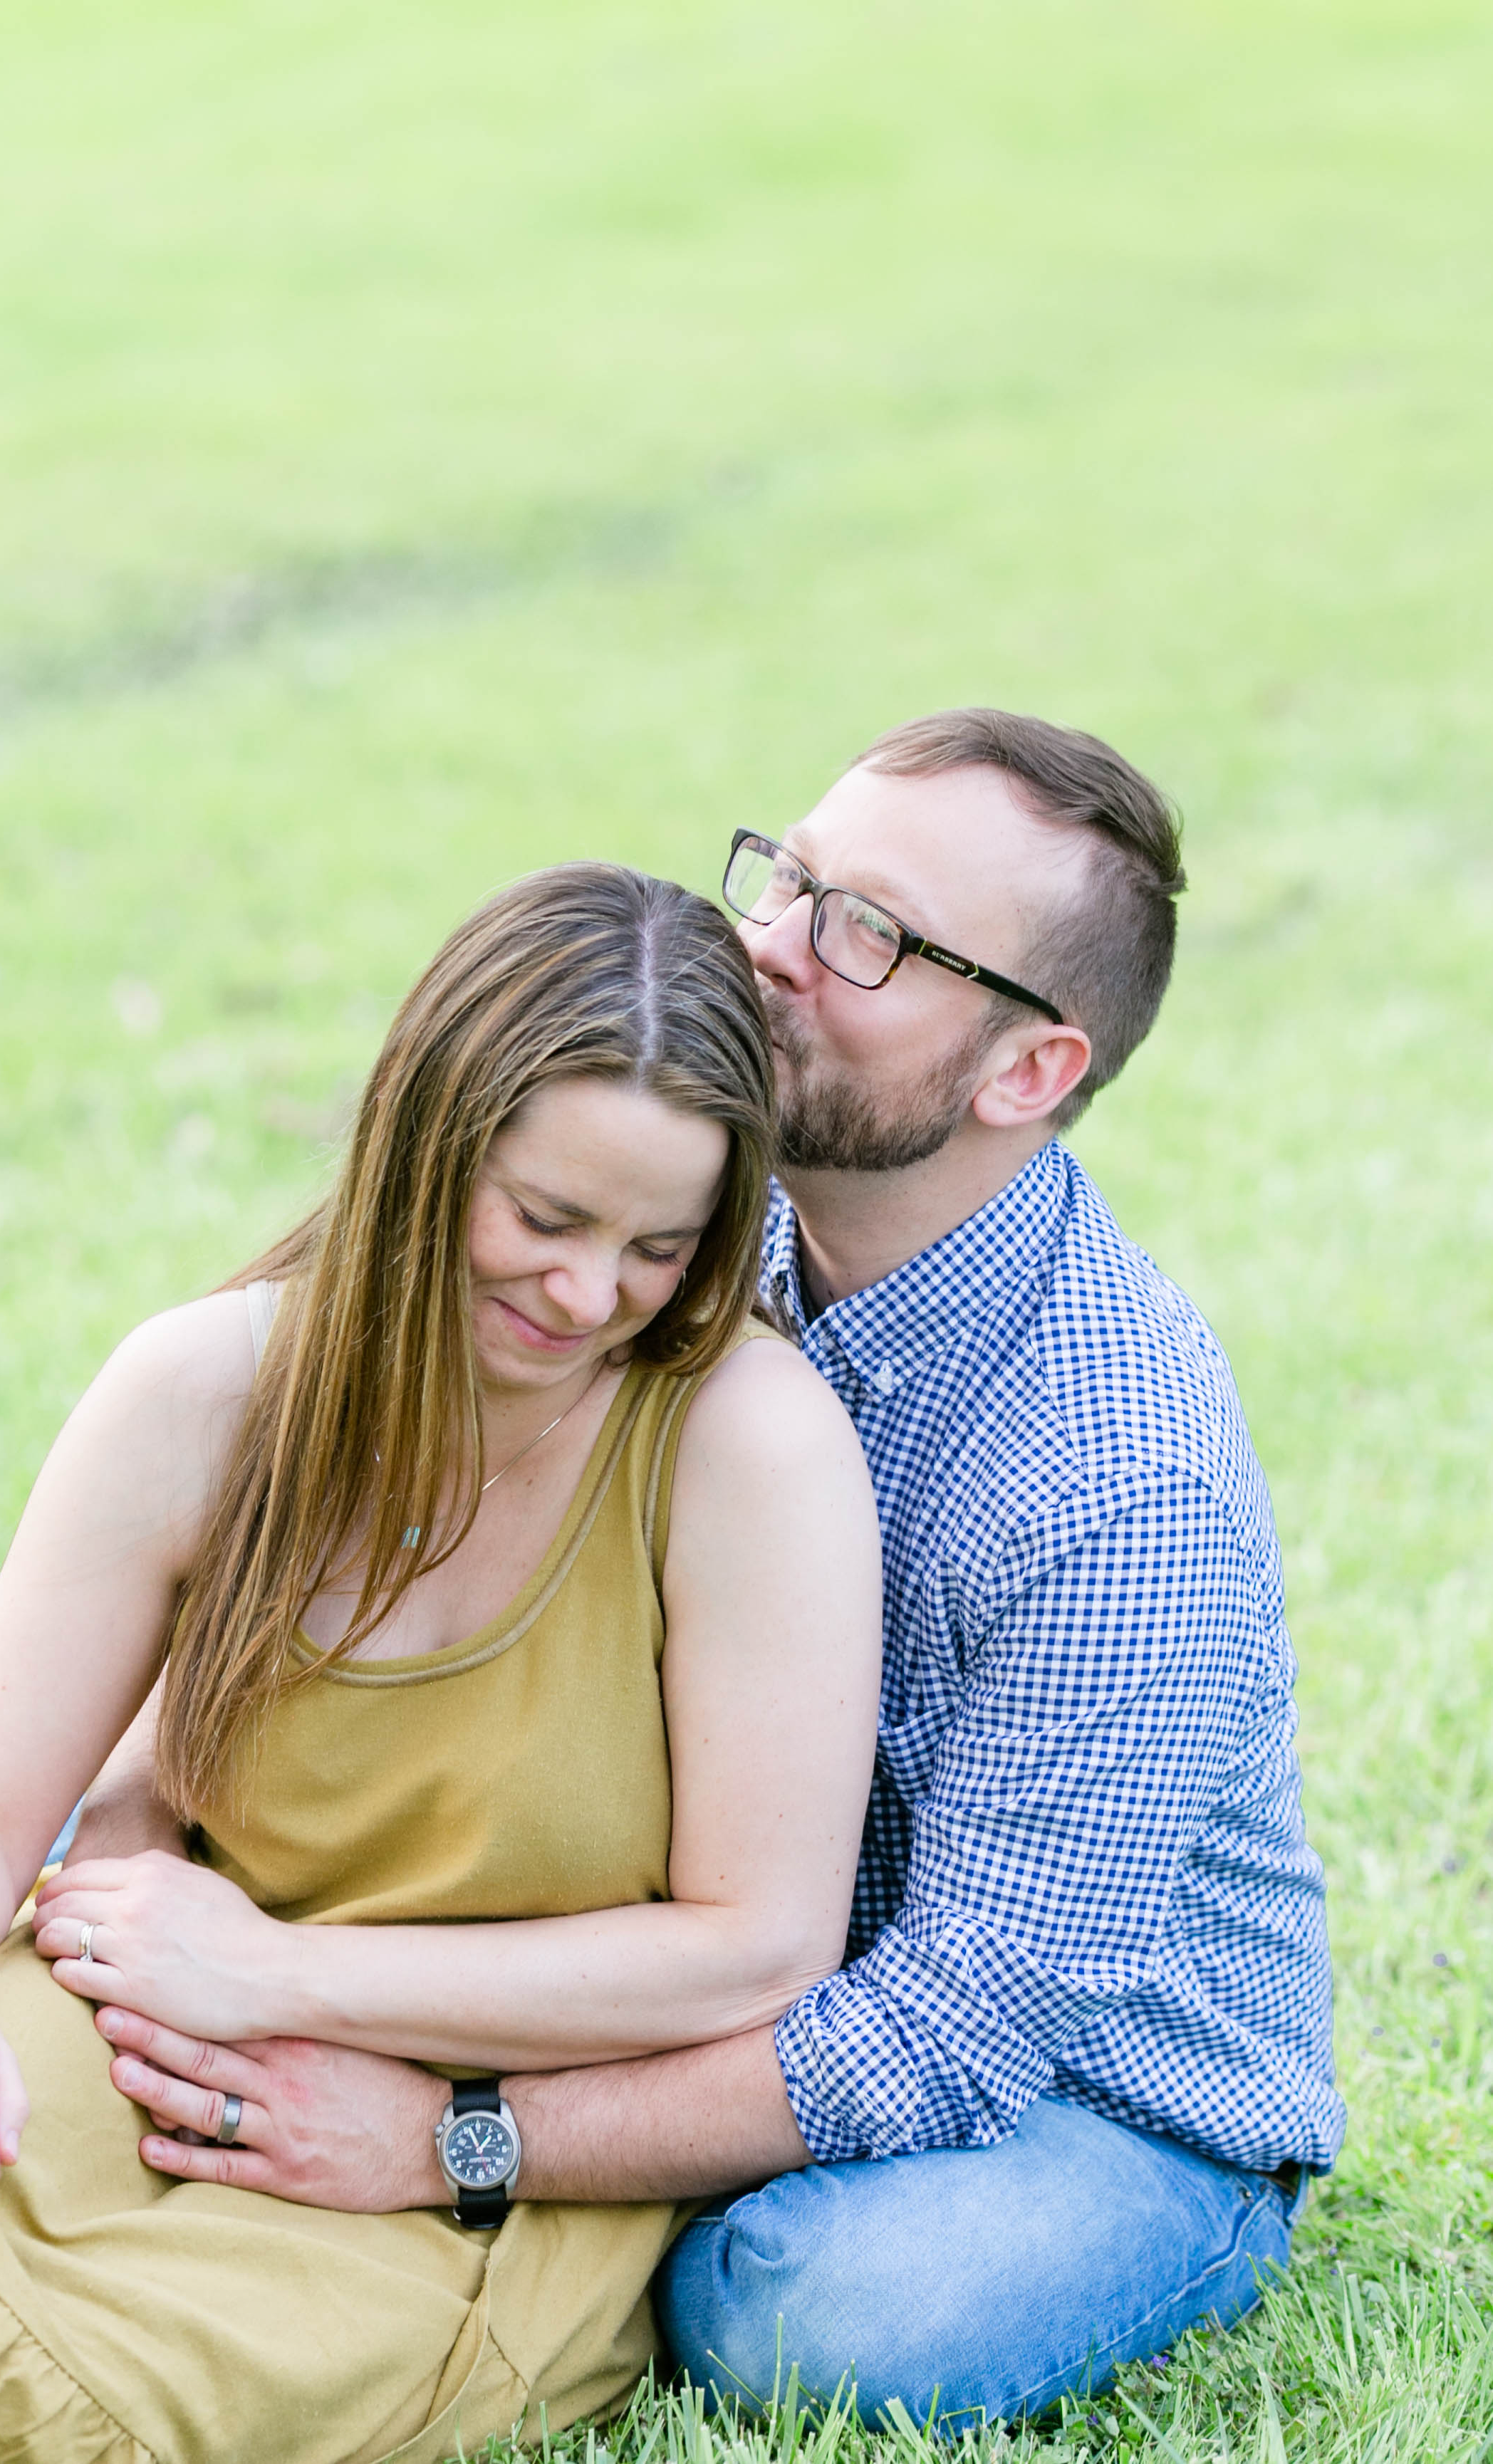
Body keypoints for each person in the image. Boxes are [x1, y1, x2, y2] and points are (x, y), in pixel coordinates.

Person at [75, 709, 1345, 2435]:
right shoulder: (671, 1233)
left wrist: (451, 2130)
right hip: (706, 1960)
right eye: (791, 875)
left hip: (1091, 2090)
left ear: (1025, 1071)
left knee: (789, 2309)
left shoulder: (1119, 1479)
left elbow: (951, 2029)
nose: (769, 948)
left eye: (867, 932)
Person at [0, 864, 885, 2464]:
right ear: (421, 1147)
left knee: (34, 2399)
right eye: (543, 1217)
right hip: (156, 2025)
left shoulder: (742, 1444)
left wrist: (286, 1975)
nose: (586, 1291)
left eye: (659, 1246)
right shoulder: (203, 1387)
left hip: (485, 2149)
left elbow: (755, 1949)